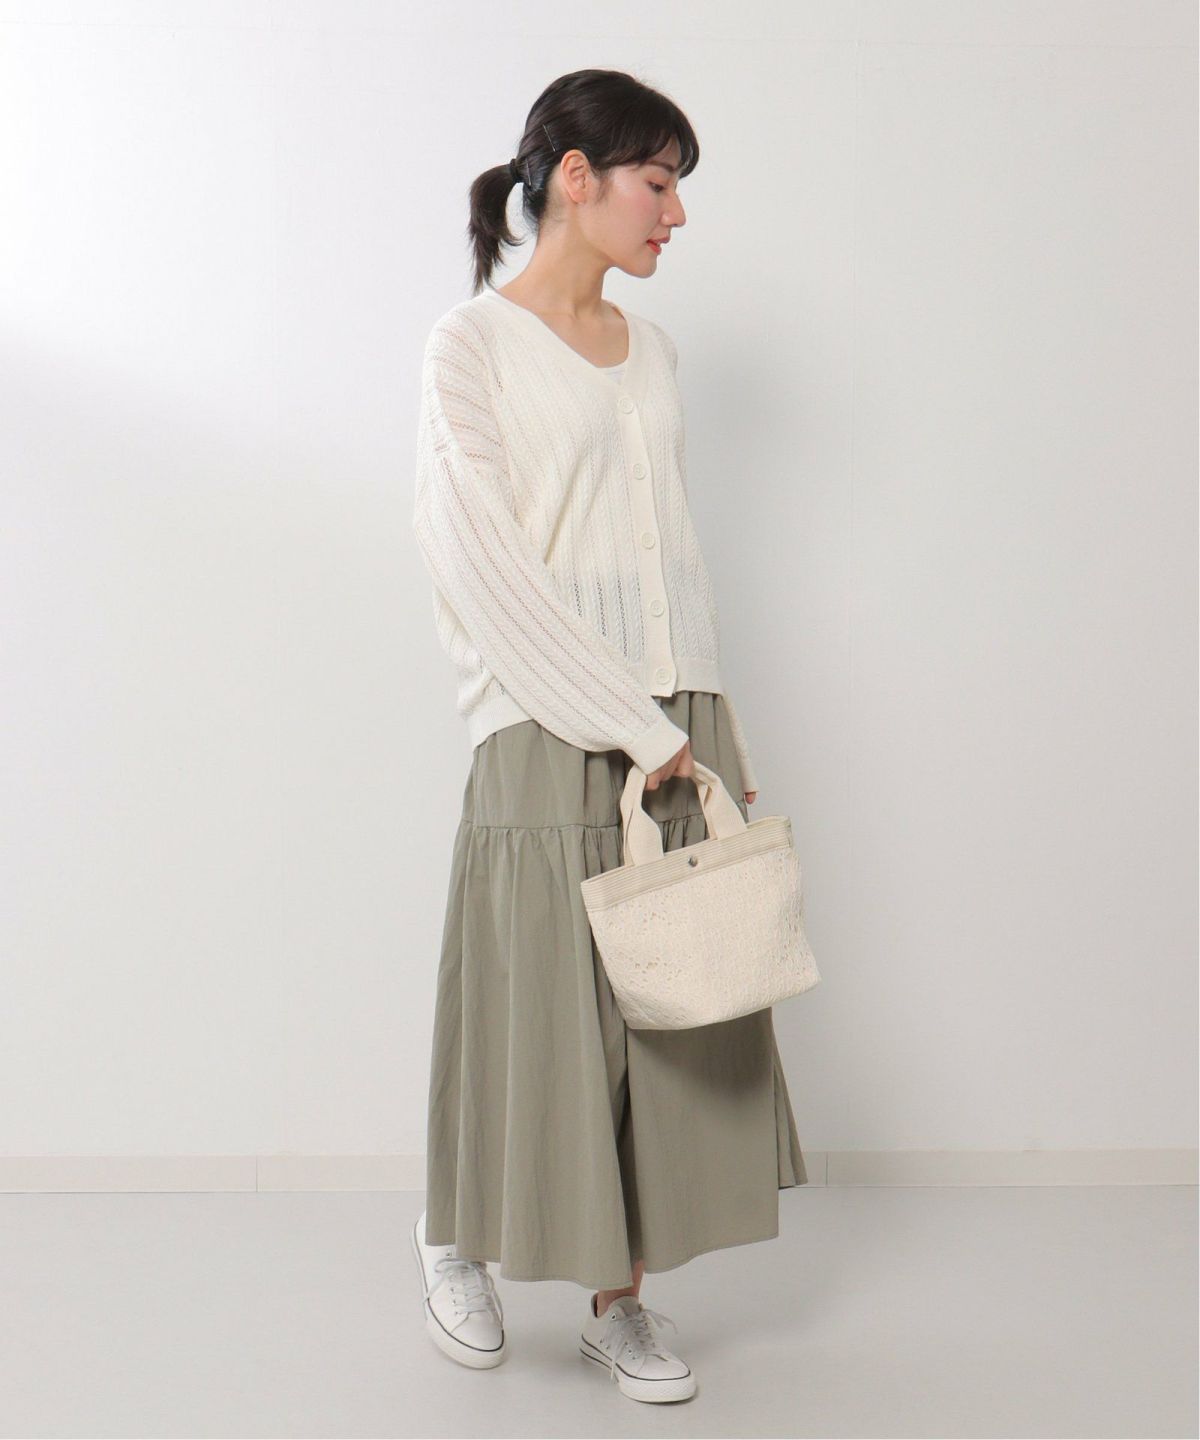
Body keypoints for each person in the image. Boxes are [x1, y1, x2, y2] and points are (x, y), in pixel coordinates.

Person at [409, 68, 808, 1404]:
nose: (675, 213)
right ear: (574, 179)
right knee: (533, 1005)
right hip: (544, 715)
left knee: (665, 1017)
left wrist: (704, 719)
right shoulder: (470, 345)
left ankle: (619, 1306)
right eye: (659, 180)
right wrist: (624, 719)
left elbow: (668, 553)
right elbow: (477, 558)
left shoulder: (657, 351)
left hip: (674, 720)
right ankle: (454, 1236)